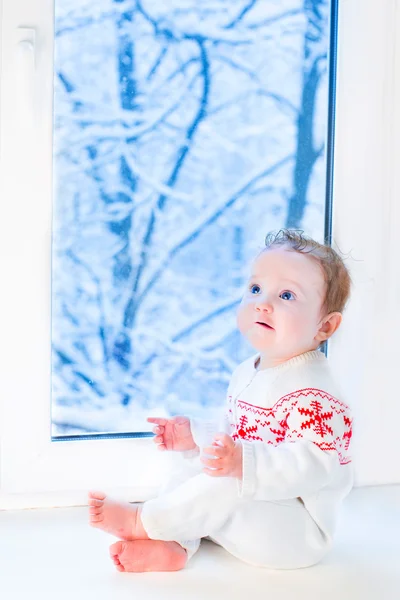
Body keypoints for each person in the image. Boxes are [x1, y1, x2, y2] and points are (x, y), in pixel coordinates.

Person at [88, 229, 353, 573]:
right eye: (256, 289)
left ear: (325, 326)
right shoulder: (249, 371)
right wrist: (197, 436)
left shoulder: (315, 396)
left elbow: (315, 466)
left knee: (227, 481)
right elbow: (239, 435)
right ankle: (175, 543)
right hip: (258, 509)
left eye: (287, 295)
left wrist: (242, 464)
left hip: (295, 534)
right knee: (194, 465)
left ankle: (144, 521)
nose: (263, 302)